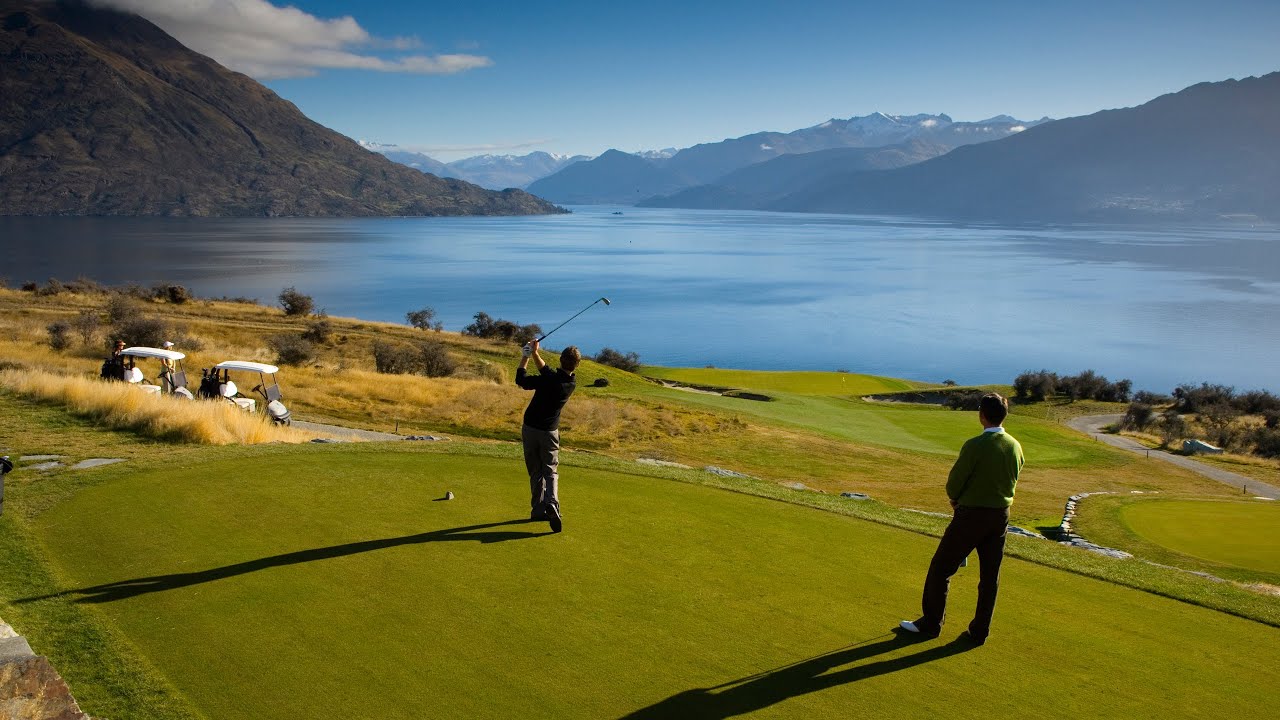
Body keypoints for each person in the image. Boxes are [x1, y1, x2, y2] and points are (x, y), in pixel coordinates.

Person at [900, 392, 1024, 645]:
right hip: (1000, 516)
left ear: (982, 415)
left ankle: (931, 623)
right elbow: (1013, 476)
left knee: (941, 568)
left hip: (971, 515)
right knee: (990, 577)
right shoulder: (1015, 446)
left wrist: (955, 499)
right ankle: (979, 632)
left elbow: (955, 482)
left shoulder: (975, 445)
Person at [515, 339, 580, 533]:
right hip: (549, 432)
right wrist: (534, 354)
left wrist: (527, 355)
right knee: (550, 470)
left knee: (535, 471)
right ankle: (552, 503)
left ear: (561, 359)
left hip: (530, 429)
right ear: (577, 364)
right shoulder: (570, 383)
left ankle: (538, 510)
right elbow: (546, 371)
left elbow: (521, 379)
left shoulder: (548, 379)